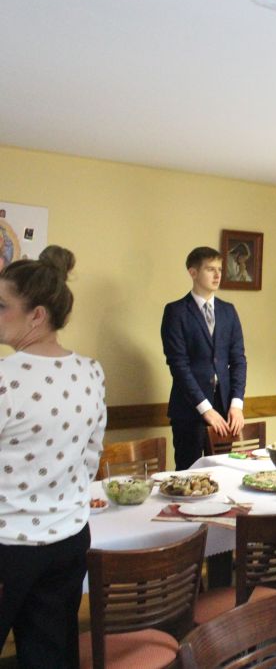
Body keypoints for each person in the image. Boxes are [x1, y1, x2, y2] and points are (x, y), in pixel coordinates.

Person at [0, 246, 106, 668]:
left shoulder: (6, 378)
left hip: (8, 545)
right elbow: (90, 458)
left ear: (37, 316)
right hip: (68, 539)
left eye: (2, 305)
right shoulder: (91, 371)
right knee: (50, 656)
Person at [161, 246, 247, 470]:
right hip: (189, 411)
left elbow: (238, 360)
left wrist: (236, 404)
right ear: (193, 272)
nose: (218, 275)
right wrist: (205, 409)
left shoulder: (228, 311)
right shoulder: (176, 312)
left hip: (225, 408)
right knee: (188, 478)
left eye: (220, 269)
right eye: (210, 269)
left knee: (222, 473)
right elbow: (179, 366)